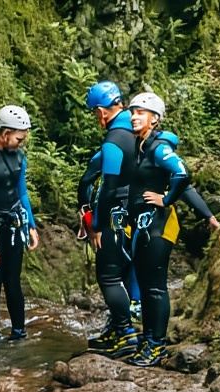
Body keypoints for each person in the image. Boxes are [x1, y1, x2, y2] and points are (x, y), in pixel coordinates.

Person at [77, 149, 219, 321]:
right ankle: (126, 312)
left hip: (152, 219)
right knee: (122, 262)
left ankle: (137, 307)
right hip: (118, 217)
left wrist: (208, 216)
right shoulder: (112, 150)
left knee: (141, 261)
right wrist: (88, 217)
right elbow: (89, 182)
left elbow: (184, 186)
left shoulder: (157, 152)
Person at [125, 92, 191, 367]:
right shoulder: (140, 147)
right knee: (144, 283)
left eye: (140, 112)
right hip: (141, 225)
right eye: (132, 112)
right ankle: (148, 338)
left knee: (155, 287)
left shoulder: (158, 148)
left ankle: (157, 345)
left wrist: (166, 199)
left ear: (154, 119)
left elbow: (182, 173)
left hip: (157, 226)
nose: (134, 116)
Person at [83, 81, 140, 360]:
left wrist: (95, 224)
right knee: (125, 268)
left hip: (115, 212)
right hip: (135, 212)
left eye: (96, 113)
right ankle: (118, 328)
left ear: (102, 111)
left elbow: (108, 186)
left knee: (108, 275)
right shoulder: (137, 131)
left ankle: (125, 332)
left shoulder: (115, 139)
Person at [0, 105, 39, 342]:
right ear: (5, 133)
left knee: (13, 280)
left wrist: (31, 225)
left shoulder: (18, 157)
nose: (21, 143)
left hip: (14, 224)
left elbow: (21, 191)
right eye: (18, 138)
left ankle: (18, 331)